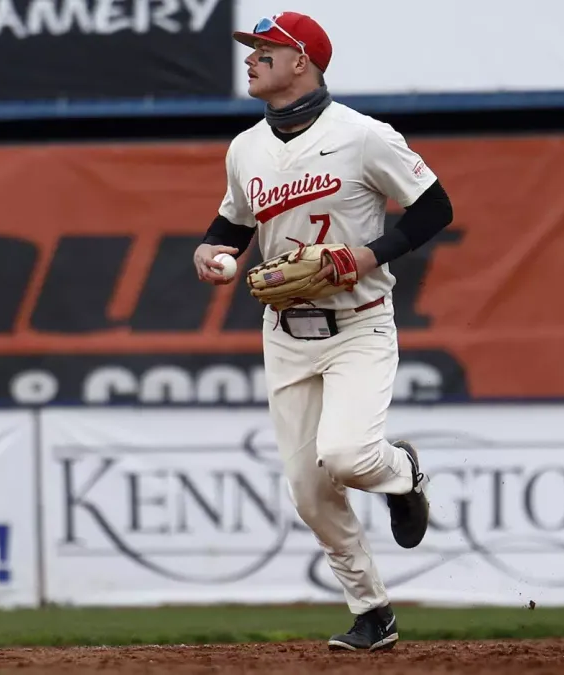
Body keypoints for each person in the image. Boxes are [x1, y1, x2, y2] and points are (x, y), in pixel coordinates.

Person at [191, 11, 455, 653]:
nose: (250, 59)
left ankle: (403, 472)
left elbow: (435, 207)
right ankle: (372, 613)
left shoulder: (363, 136)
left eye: (264, 50)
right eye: (251, 49)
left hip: (358, 324)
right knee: (310, 494)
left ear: (300, 61)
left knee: (347, 457)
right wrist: (211, 248)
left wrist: (368, 255)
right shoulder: (245, 147)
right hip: (284, 333)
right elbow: (234, 223)